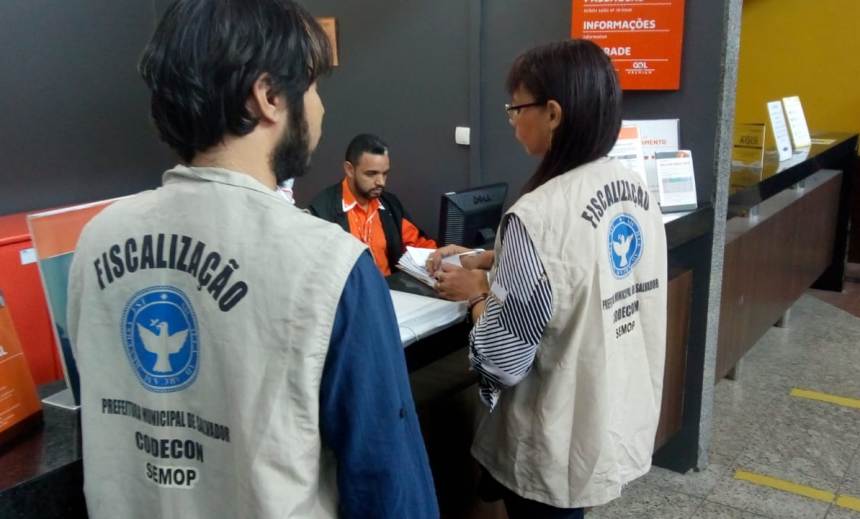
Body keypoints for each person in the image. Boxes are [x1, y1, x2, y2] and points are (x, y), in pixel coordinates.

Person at [66, 1, 438, 518]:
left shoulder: (95, 242)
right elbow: (387, 486)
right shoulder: (330, 264)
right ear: (268, 97)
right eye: (312, 88)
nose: (320, 109)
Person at [429, 39, 668, 518]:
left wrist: (478, 293)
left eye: (517, 108)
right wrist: (494, 258)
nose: (513, 120)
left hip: (552, 440)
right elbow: (585, 258)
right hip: (608, 413)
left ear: (553, 113)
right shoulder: (635, 188)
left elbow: (501, 359)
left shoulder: (536, 214)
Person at [308, 134, 437, 276]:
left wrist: (439, 258)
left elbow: (419, 246)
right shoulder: (321, 212)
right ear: (349, 169)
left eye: (385, 174)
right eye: (371, 174)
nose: (381, 182)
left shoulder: (390, 206)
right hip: (349, 294)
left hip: (393, 291)